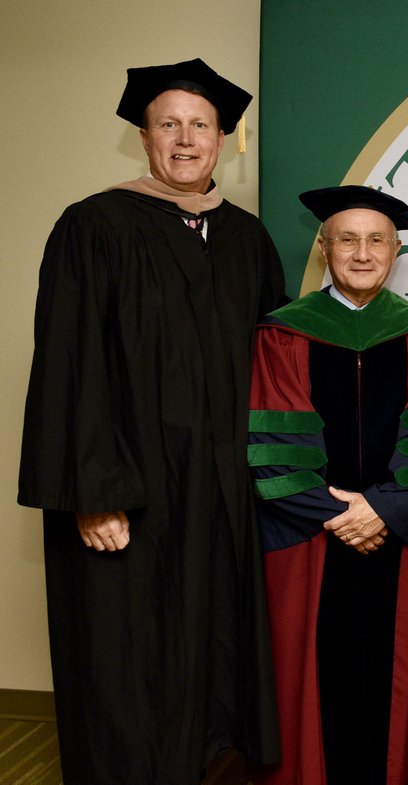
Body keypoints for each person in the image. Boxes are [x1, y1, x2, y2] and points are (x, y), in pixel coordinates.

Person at [18, 58, 285, 784]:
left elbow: (276, 371)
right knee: (126, 658)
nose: (185, 137)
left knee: (210, 647)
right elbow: (69, 361)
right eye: (168, 123)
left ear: (226, 140)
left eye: (201, 124)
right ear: (143, 135)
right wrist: (93, 489)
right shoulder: (94, 226)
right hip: (131, 487)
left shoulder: (247, 241)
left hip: (222, 489)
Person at [248, 185, 408, 785]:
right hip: (306, 537)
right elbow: (273, 438)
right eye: (347, 240)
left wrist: (384, 512)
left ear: (396, 251)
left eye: (376, 241)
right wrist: (341, 515)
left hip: (389, 535)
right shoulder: (281, 335)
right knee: (304, 671)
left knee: (383, 675)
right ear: (324, 248)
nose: (362, 253)